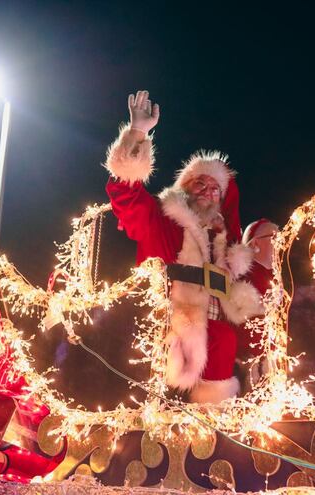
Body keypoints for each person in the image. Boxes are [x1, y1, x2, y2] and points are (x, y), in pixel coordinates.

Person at [103, 90, 261, 403]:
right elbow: (126, 194)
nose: (207, 190)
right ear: (183, 188)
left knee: (237, 340)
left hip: (219, 352)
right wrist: (138, 132)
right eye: (199, 182)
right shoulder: (163, 220)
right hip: (166, 334)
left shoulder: (224, 245)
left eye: (216, 188)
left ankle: (217, 420)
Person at [238, 219, 279, 386]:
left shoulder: (277, 276)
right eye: (275, 237)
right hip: (250, 363)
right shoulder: (243, 276)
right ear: (256, 243)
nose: (280, 242)